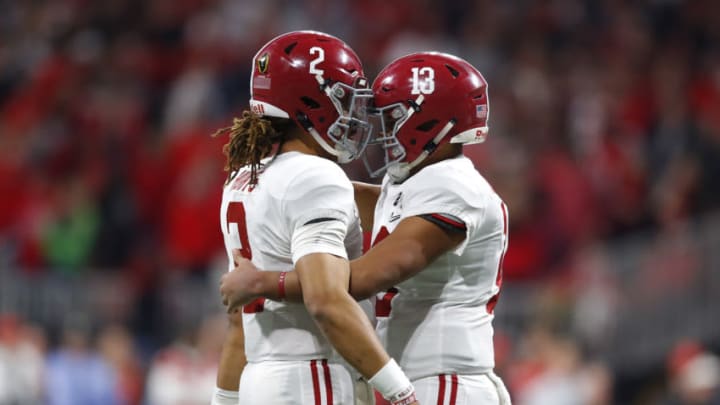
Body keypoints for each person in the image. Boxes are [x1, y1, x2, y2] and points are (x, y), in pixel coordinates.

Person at [221, 51, 512, 404]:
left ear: (431, 121)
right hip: (417, 377)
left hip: (447, 381)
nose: (382, 130)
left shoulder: (453, 188)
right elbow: (334, 198)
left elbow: (362, 279)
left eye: (393, 118)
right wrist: (281, 177)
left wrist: (264, 281)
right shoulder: (412, 183)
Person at [211, 31, 419, 405]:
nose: (353, 113)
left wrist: (224, 400)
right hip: (312, 377)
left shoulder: (244, 177)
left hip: (260, 379)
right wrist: (402, 393)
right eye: (344, 98)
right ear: (311, 100)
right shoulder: (316, 177)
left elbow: (239, 325)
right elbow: (325, 299)